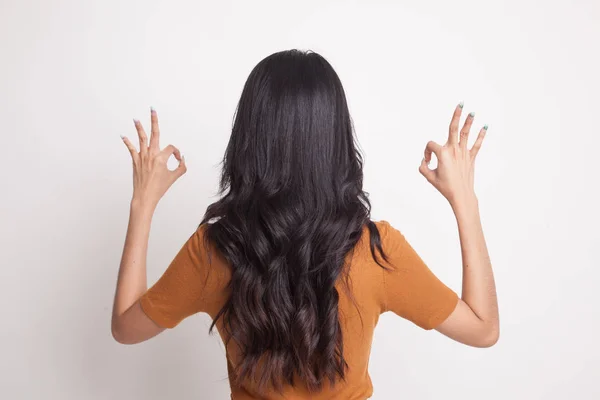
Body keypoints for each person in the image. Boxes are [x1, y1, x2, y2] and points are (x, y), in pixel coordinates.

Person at [111, 49, 499, 399]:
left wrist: (143, 203)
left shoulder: (214, 250)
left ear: (249, 142)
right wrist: (464, 199)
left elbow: (126, 328)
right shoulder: (377, 250)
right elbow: (483, 329)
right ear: (336, 142)